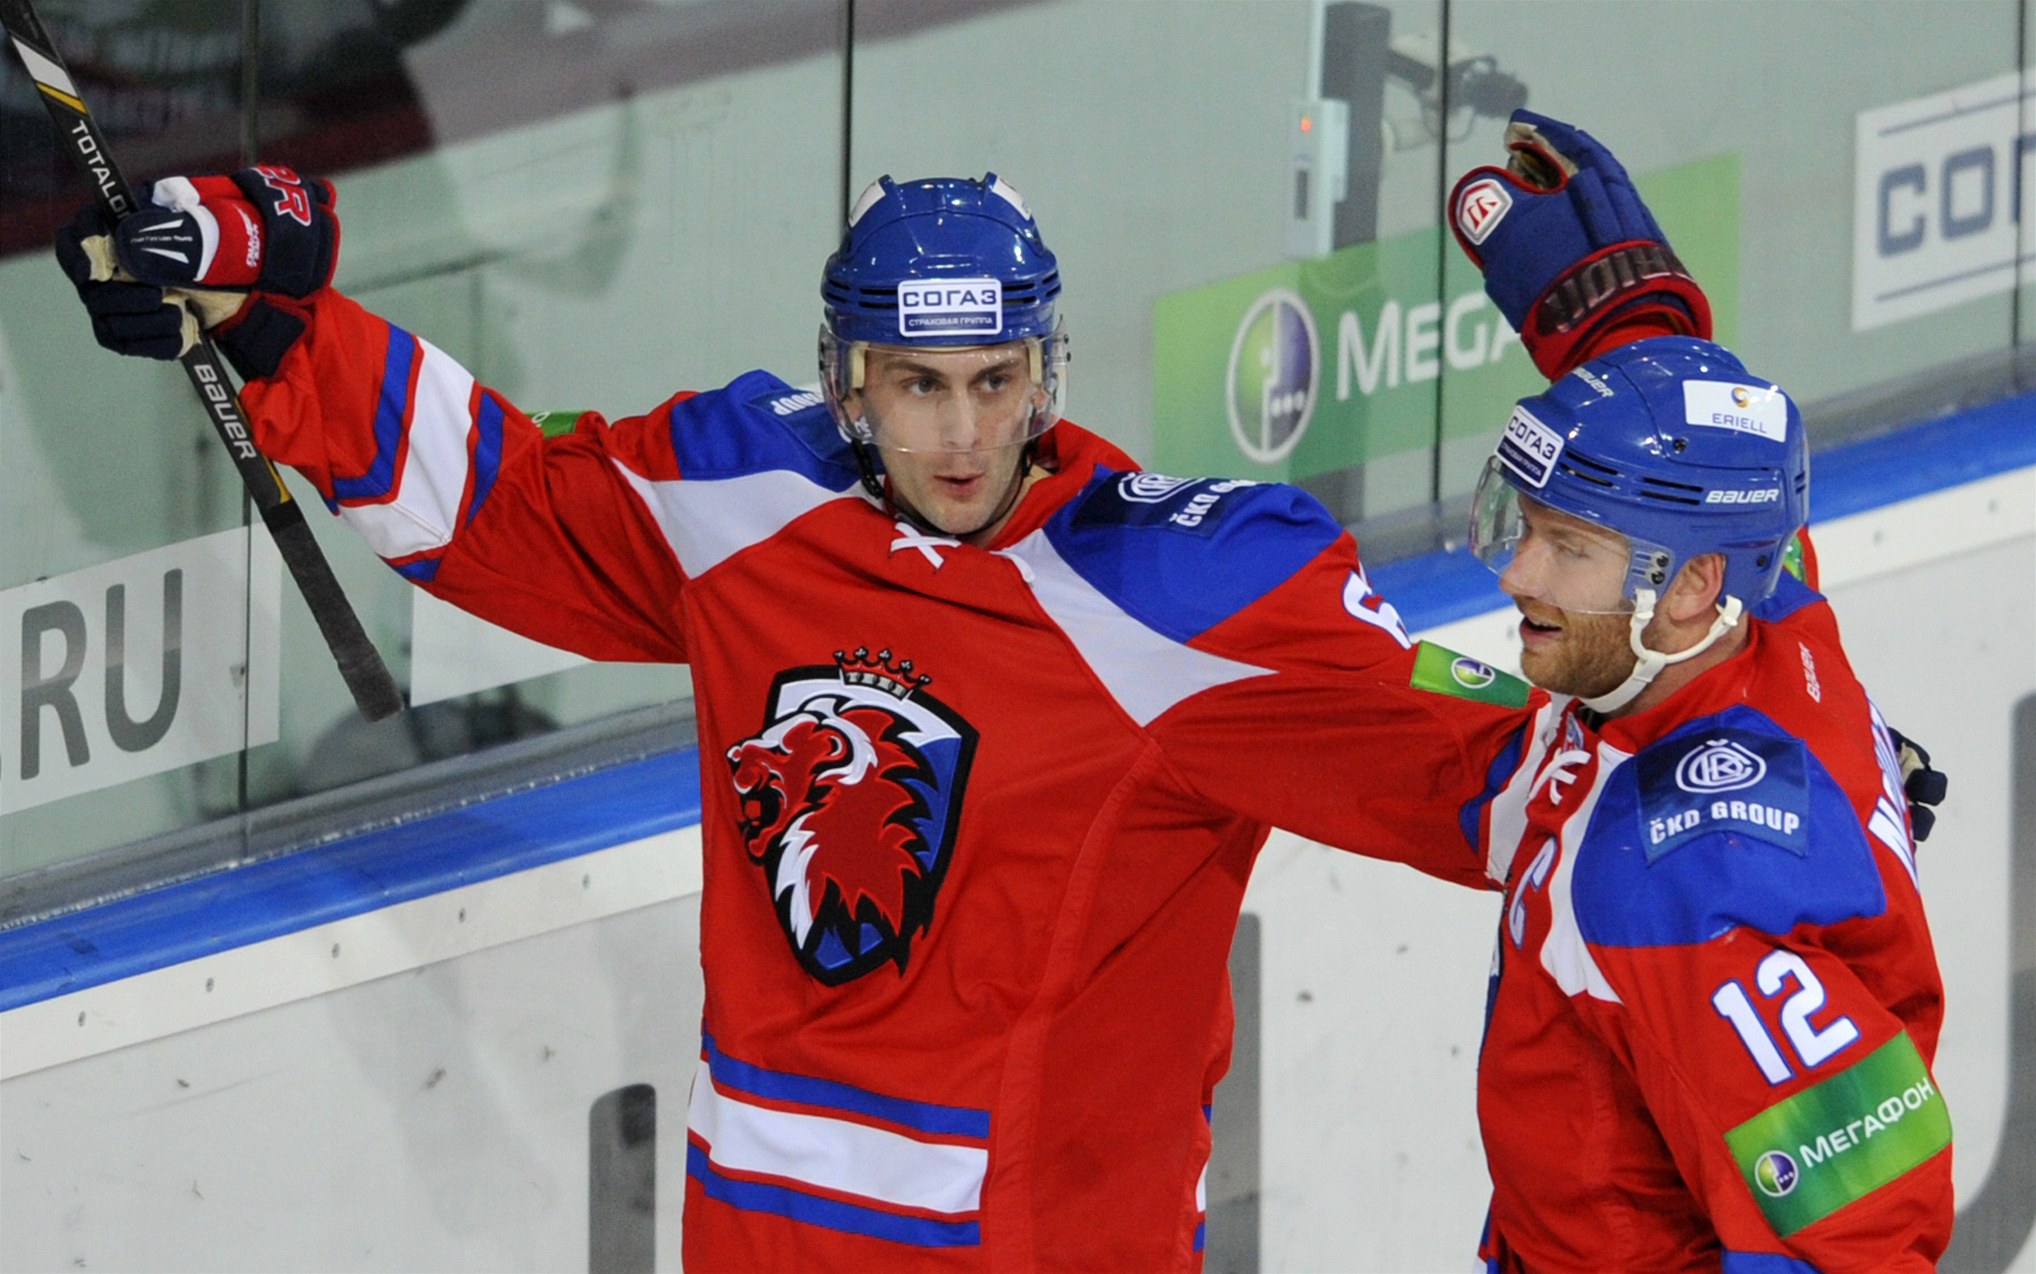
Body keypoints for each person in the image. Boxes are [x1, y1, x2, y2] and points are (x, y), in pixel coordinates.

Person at [56, 165, 1533, 1269]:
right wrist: (262, 315)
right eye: (916, 385)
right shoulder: (744, 494)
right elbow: (496, 493)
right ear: (846, 379)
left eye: (996, 381)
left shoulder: (1186, 589)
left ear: (1047, 367)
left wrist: (1675, 620)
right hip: (758, 1228)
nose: (963, 434)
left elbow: (1506, 788)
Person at [1447, 113, 1953, 1271]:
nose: (1518, 573)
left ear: (1687, 588)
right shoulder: (1761, 604)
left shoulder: (1679, 884)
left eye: (1565, 547)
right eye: (1526, 527)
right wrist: (1623, 324)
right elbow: (1707, 463)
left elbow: (1852, 1239)